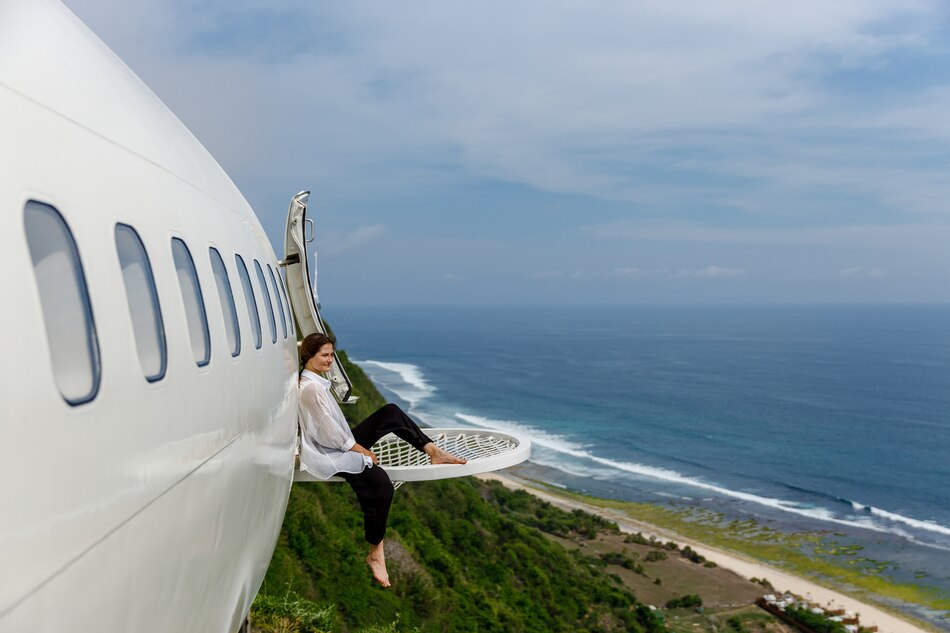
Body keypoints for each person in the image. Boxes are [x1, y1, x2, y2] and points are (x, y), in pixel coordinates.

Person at [297, 332, 466, 587]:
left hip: (338, 442)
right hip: (329, 452)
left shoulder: (317, 382)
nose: (330, 360)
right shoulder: (311, 389)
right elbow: (328, 433)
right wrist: (359, 450)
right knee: (382, 486)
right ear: (309, 356)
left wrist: (354, 445)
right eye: (324, 355)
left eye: (332, 354)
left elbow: (334, 430)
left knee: (391, 412)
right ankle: (376, 553)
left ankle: (433, 451)